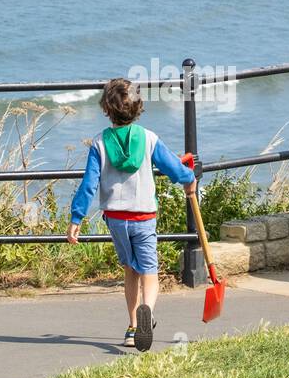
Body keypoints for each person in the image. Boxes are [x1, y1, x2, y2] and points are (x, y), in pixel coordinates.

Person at [65, 78, 196, 352]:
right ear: (139, 108)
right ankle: (147, 309)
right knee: (149, 270)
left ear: (106, 109)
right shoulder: (149, 138)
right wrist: (189, 178)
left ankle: (133, 326)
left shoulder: (99, 143)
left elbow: (89, 184)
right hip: (144, 217)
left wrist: (77, 218)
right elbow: (173, 166)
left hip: (116, 218)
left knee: (130, 269)